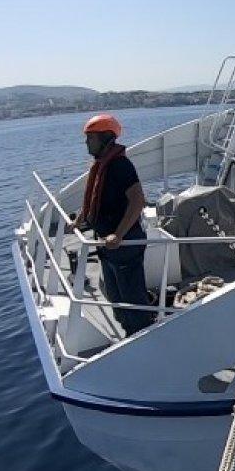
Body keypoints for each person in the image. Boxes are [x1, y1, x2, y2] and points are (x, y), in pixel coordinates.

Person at [75, 113, 155, 336]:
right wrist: (79, 219)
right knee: (116, 296)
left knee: (132, 300)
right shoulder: (102, 165)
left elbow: (138, 200)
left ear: (105, 138)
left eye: (90, 138)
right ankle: (130, 333)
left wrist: (118, 235)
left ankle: (143, 337)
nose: (86, 143)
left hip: (124, 244)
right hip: (107, 246)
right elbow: (96, 199)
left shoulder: (120, 165)